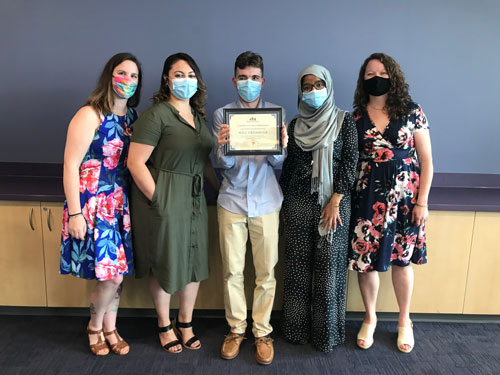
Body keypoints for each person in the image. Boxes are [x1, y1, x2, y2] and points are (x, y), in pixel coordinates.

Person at [127, 53, 218, 354]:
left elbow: (202, 161)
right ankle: (164, 325)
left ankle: (186, 322)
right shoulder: (156, 116)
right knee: (165, 262)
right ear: (166, 79)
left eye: (191, 74)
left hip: (194, 197)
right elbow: (135, 163)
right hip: (163, 194)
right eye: (178, 74)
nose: (185, 80)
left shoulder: (199, 117)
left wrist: (220, 188)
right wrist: (159, 200)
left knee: (194, 262)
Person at [348, 52, 433, 353]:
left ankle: (404, 321)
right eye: (369, 75)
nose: (376, 79)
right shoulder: (355, 116)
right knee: (365, 264)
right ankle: (369, 318)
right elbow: (348, 160)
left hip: (406, 200)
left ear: (393, 76)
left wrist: (422, 202)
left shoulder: (412, 111)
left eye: (381, 73)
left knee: (402, 259)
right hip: (367, 197)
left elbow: (426, 160)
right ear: (362, 81)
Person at [60, 52, 142, 356]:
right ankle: (95, 326)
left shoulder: (131, 118)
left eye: (134, 76)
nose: (128, 81)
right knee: (112, 274)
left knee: (116, 274)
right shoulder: (90, 114)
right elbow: (70, 165)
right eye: (122, 73)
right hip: (91, 203)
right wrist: (76, 214)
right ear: (110, 76)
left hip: (119, 204)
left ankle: (111, 327)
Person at [214, 51, 288, 365]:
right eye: (243, 78)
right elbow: (222, 165)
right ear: (235, 80)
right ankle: (235, 330)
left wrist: (281, 146)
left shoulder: (277, 113)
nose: (248, 83)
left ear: (262, 81)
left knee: (265, 272)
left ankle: (261, 332)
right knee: (232, 271)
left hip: (267, 201)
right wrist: (222, 146)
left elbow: (278, 162)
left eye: (254, 78)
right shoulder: (221, 115)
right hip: (231, 200)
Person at [279, 65, 358, 352]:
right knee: (297, 268)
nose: (313, 91)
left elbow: (351, 163)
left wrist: (336, 199)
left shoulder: (344, 121)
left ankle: (326, 335)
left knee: (328, 270)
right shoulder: (294, 125)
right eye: (307, 86)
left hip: (333, 206)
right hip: (298, 204)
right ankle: (296, 330)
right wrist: (284, 203)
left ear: (329, 86)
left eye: (318, 85)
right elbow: (288, 167)